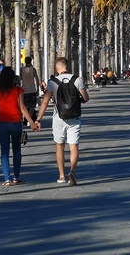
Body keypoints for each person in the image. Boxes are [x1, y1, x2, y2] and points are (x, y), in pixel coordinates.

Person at [36, 57, 89, 185]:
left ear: (57, 68)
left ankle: (61, 175)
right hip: (74, 117)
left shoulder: (52, 82)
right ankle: (72, 171)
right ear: (67, 66)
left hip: (58, 117)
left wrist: (38, 119)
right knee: (73, 145)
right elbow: (86, 98)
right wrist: (77, 101)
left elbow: (45, 102)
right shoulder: (77, 80)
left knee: (59, 145)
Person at [0, 67, 39, 187]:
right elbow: (23, 108)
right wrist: (32, 123)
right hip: (16, 123)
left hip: (2, 124)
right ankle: (16, 176)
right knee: (17, 150)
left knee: (4, 152)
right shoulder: (18, 90)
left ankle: (7, 179)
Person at [19, 56, 40, 122]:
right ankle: (29, 119)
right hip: (32, 90)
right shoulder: (33, 70)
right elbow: (37, 79)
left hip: (24, 90)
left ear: (25, 61)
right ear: (31, 61)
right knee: (31, 106)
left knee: (23, 106)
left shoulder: (21, 69)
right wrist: (38, 89)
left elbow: (20, 79)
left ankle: (23, 118)